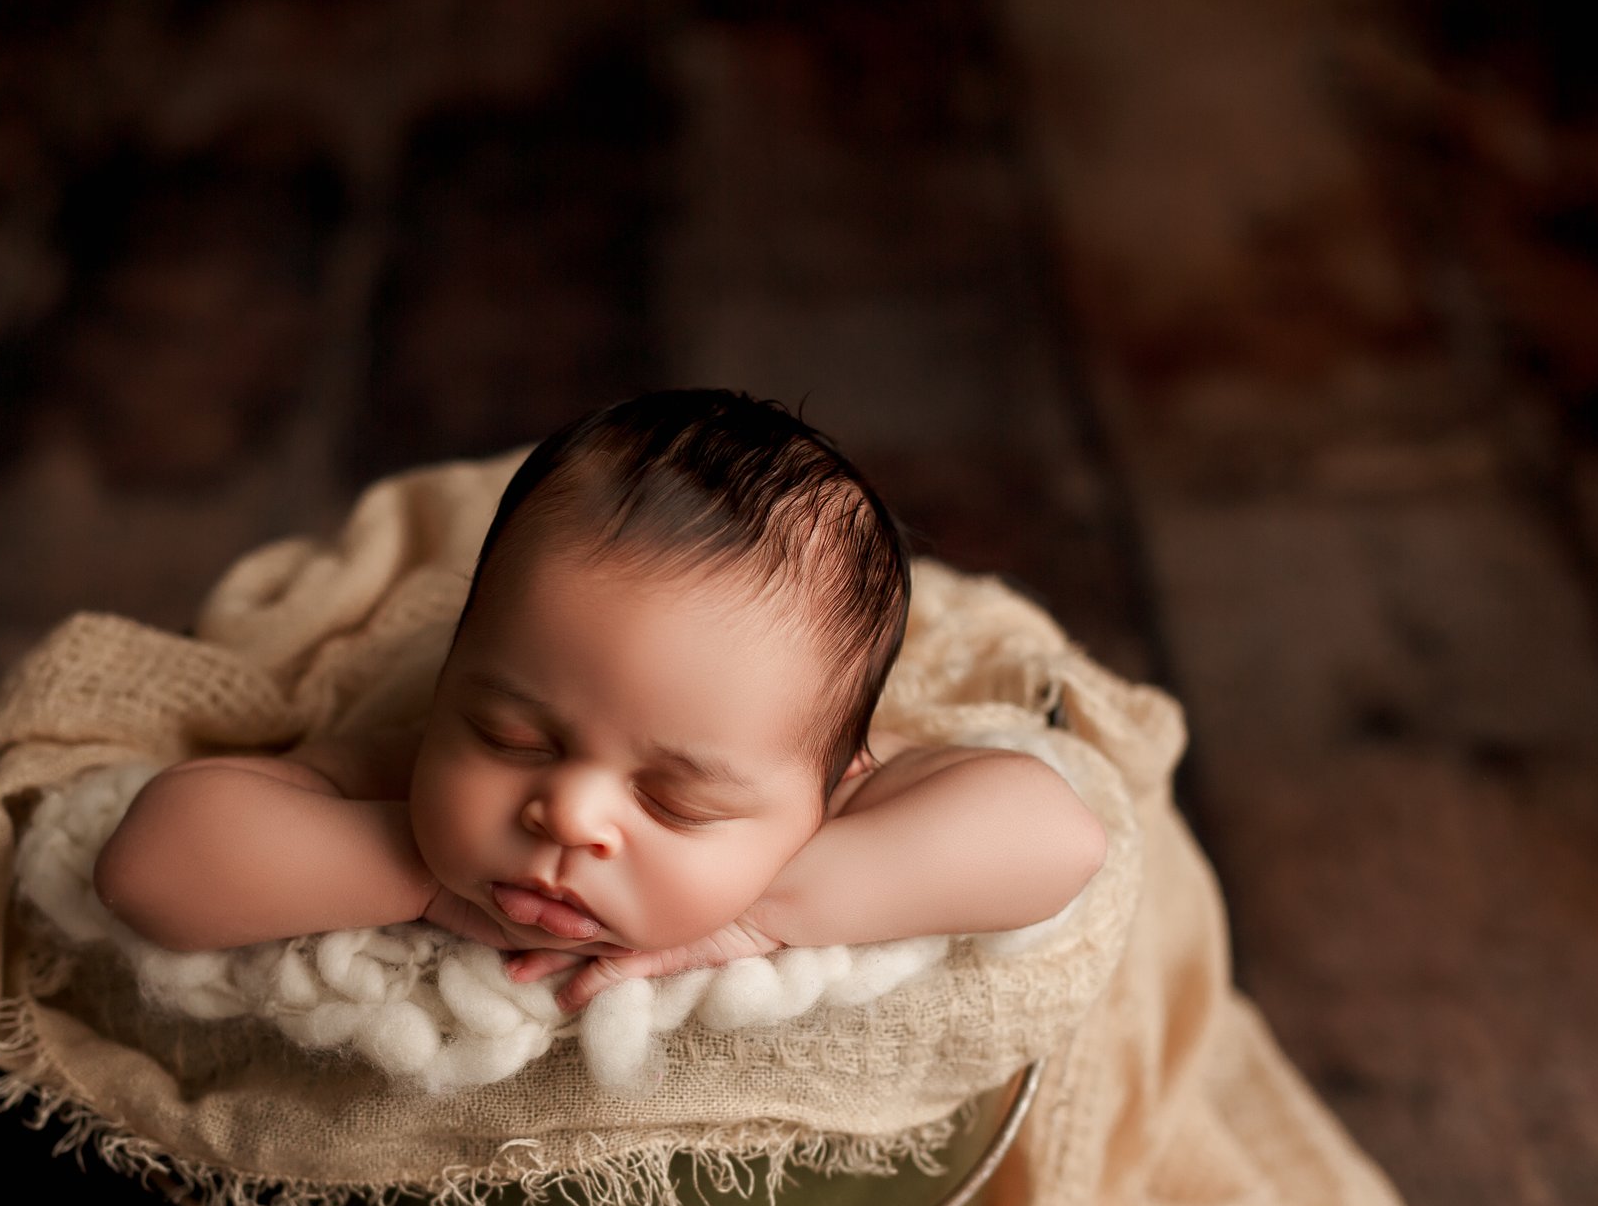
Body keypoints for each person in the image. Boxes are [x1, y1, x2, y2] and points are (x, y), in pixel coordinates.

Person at [93, 389, 1109, 1013]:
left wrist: (760, 910)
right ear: (452, 678)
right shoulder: (408, 762)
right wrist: (416, 877)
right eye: (513, 735)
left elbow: (1058, 836)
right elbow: (149, 864)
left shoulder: (840, 796)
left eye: (675, 802)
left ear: (834, 787)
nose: (567, 812)